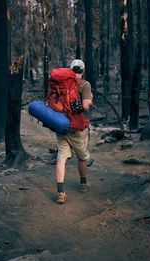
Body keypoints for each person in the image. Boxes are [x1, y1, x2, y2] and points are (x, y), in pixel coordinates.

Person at [56, 59, 93, 204]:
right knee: (82, 156)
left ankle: (60, 192)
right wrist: (89, 100)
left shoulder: (61, 83)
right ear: (83, 70)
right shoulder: (84, 84)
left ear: (71, 70)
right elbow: (85, 107)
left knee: (61, 157)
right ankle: (83, 184)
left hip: (60, 125)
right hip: (78, 127)